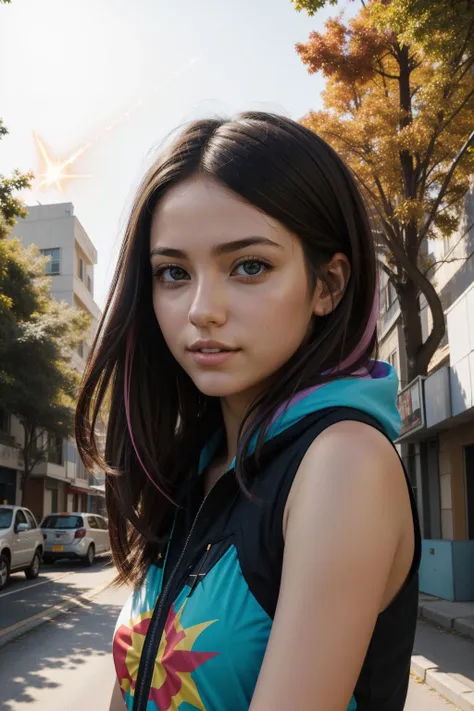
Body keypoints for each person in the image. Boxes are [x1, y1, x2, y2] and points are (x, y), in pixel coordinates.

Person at [76, 112, 420, 711]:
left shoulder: (343, 462)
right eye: (174, 273)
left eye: (250, 266)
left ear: (328, 286)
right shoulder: (195, 472)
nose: (202, 309)